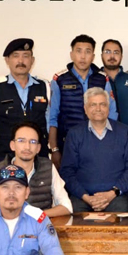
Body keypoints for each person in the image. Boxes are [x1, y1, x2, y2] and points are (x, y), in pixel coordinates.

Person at [60, 88, 128, 212]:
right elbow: (67, 171)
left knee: (120, 215)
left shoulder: (124, 131)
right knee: (75, 220)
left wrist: (112, 193)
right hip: (82, 197)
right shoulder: (75, 134)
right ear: (85, 109)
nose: (98, 109)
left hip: (115, 196)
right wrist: (86, 197)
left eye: (102, 104)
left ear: (108, 108)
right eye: (93, 105)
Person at [49, 34, 118, 168]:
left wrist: (111, 142)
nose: (83, 56)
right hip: (68, 142)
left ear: (93, 56)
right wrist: (54, 149)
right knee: (69, 184)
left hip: (99, 141)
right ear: (71, 54)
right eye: (78, 51)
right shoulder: (59, 79)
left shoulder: (103, 79)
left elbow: (112, 114)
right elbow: (53, 117)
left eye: (87, 52)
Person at [0, 38, 50, 167]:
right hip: (5, 157)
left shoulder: (44, 86)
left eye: (26, 56)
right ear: (7, 60)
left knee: (40, 188)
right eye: (15, 56)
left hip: (38, 158)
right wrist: (8, 149)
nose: (21, 61)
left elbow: (48, 123)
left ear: (32, 60)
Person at [0, 121, 73, 217]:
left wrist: (36, 216)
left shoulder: (48, 167)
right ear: (12, 145)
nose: (27, 147)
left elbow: (67, 207)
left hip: (40, 228)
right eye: (21, 141)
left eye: (33, 142)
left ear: (38, 148)